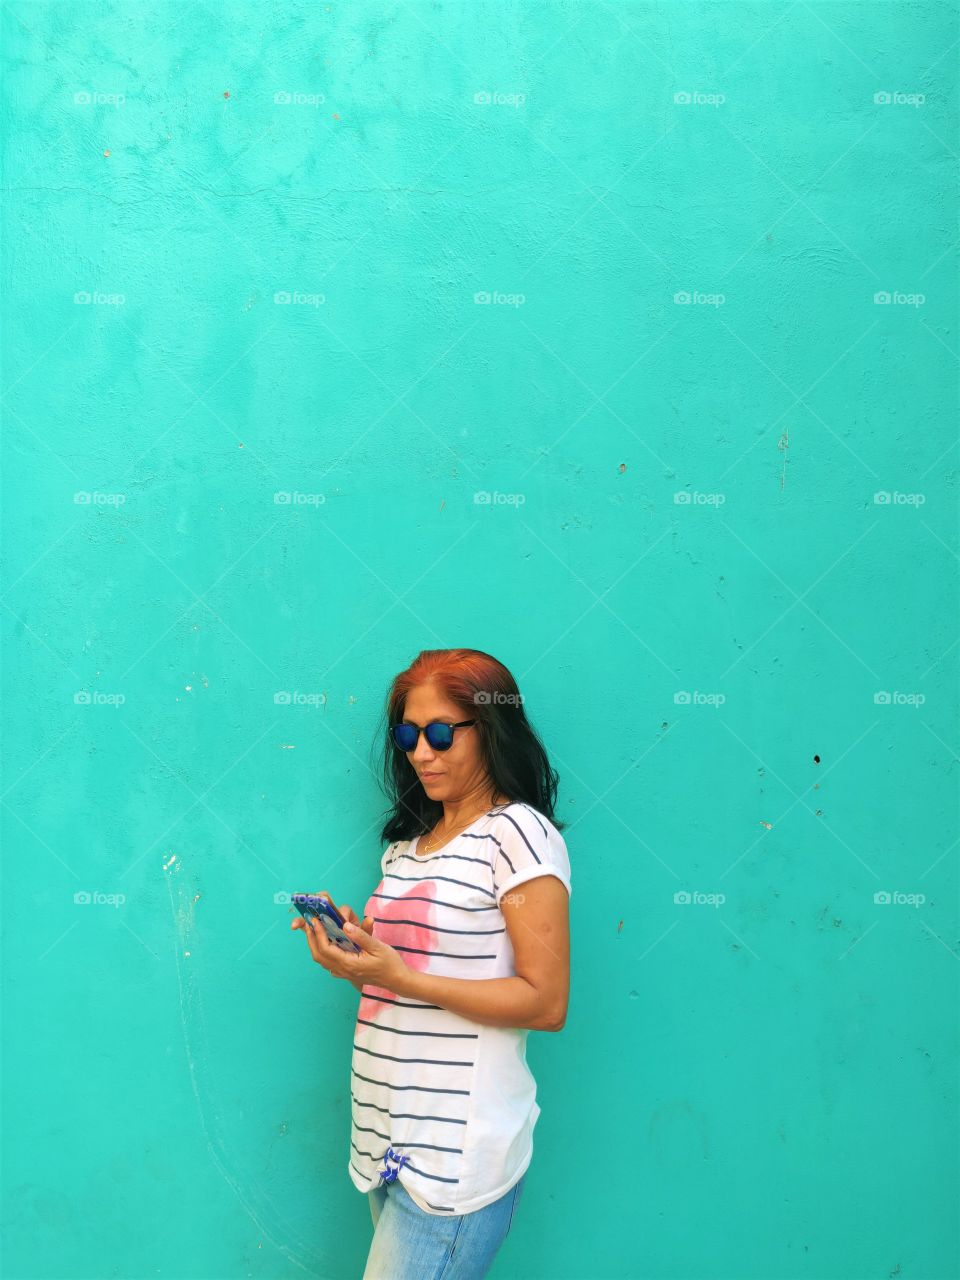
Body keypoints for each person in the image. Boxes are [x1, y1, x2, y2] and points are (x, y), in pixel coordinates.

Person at [292, 647, 572, 1279]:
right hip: (385, 1140)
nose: (422, 753)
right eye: (407, 735)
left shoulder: (518, 835)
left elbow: (547, 1003)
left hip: (453, 1160)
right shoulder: (408, 847)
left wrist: (400, 977)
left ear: (491, 729)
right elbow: (407, 964)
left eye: (442, 733)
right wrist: (355, 948)